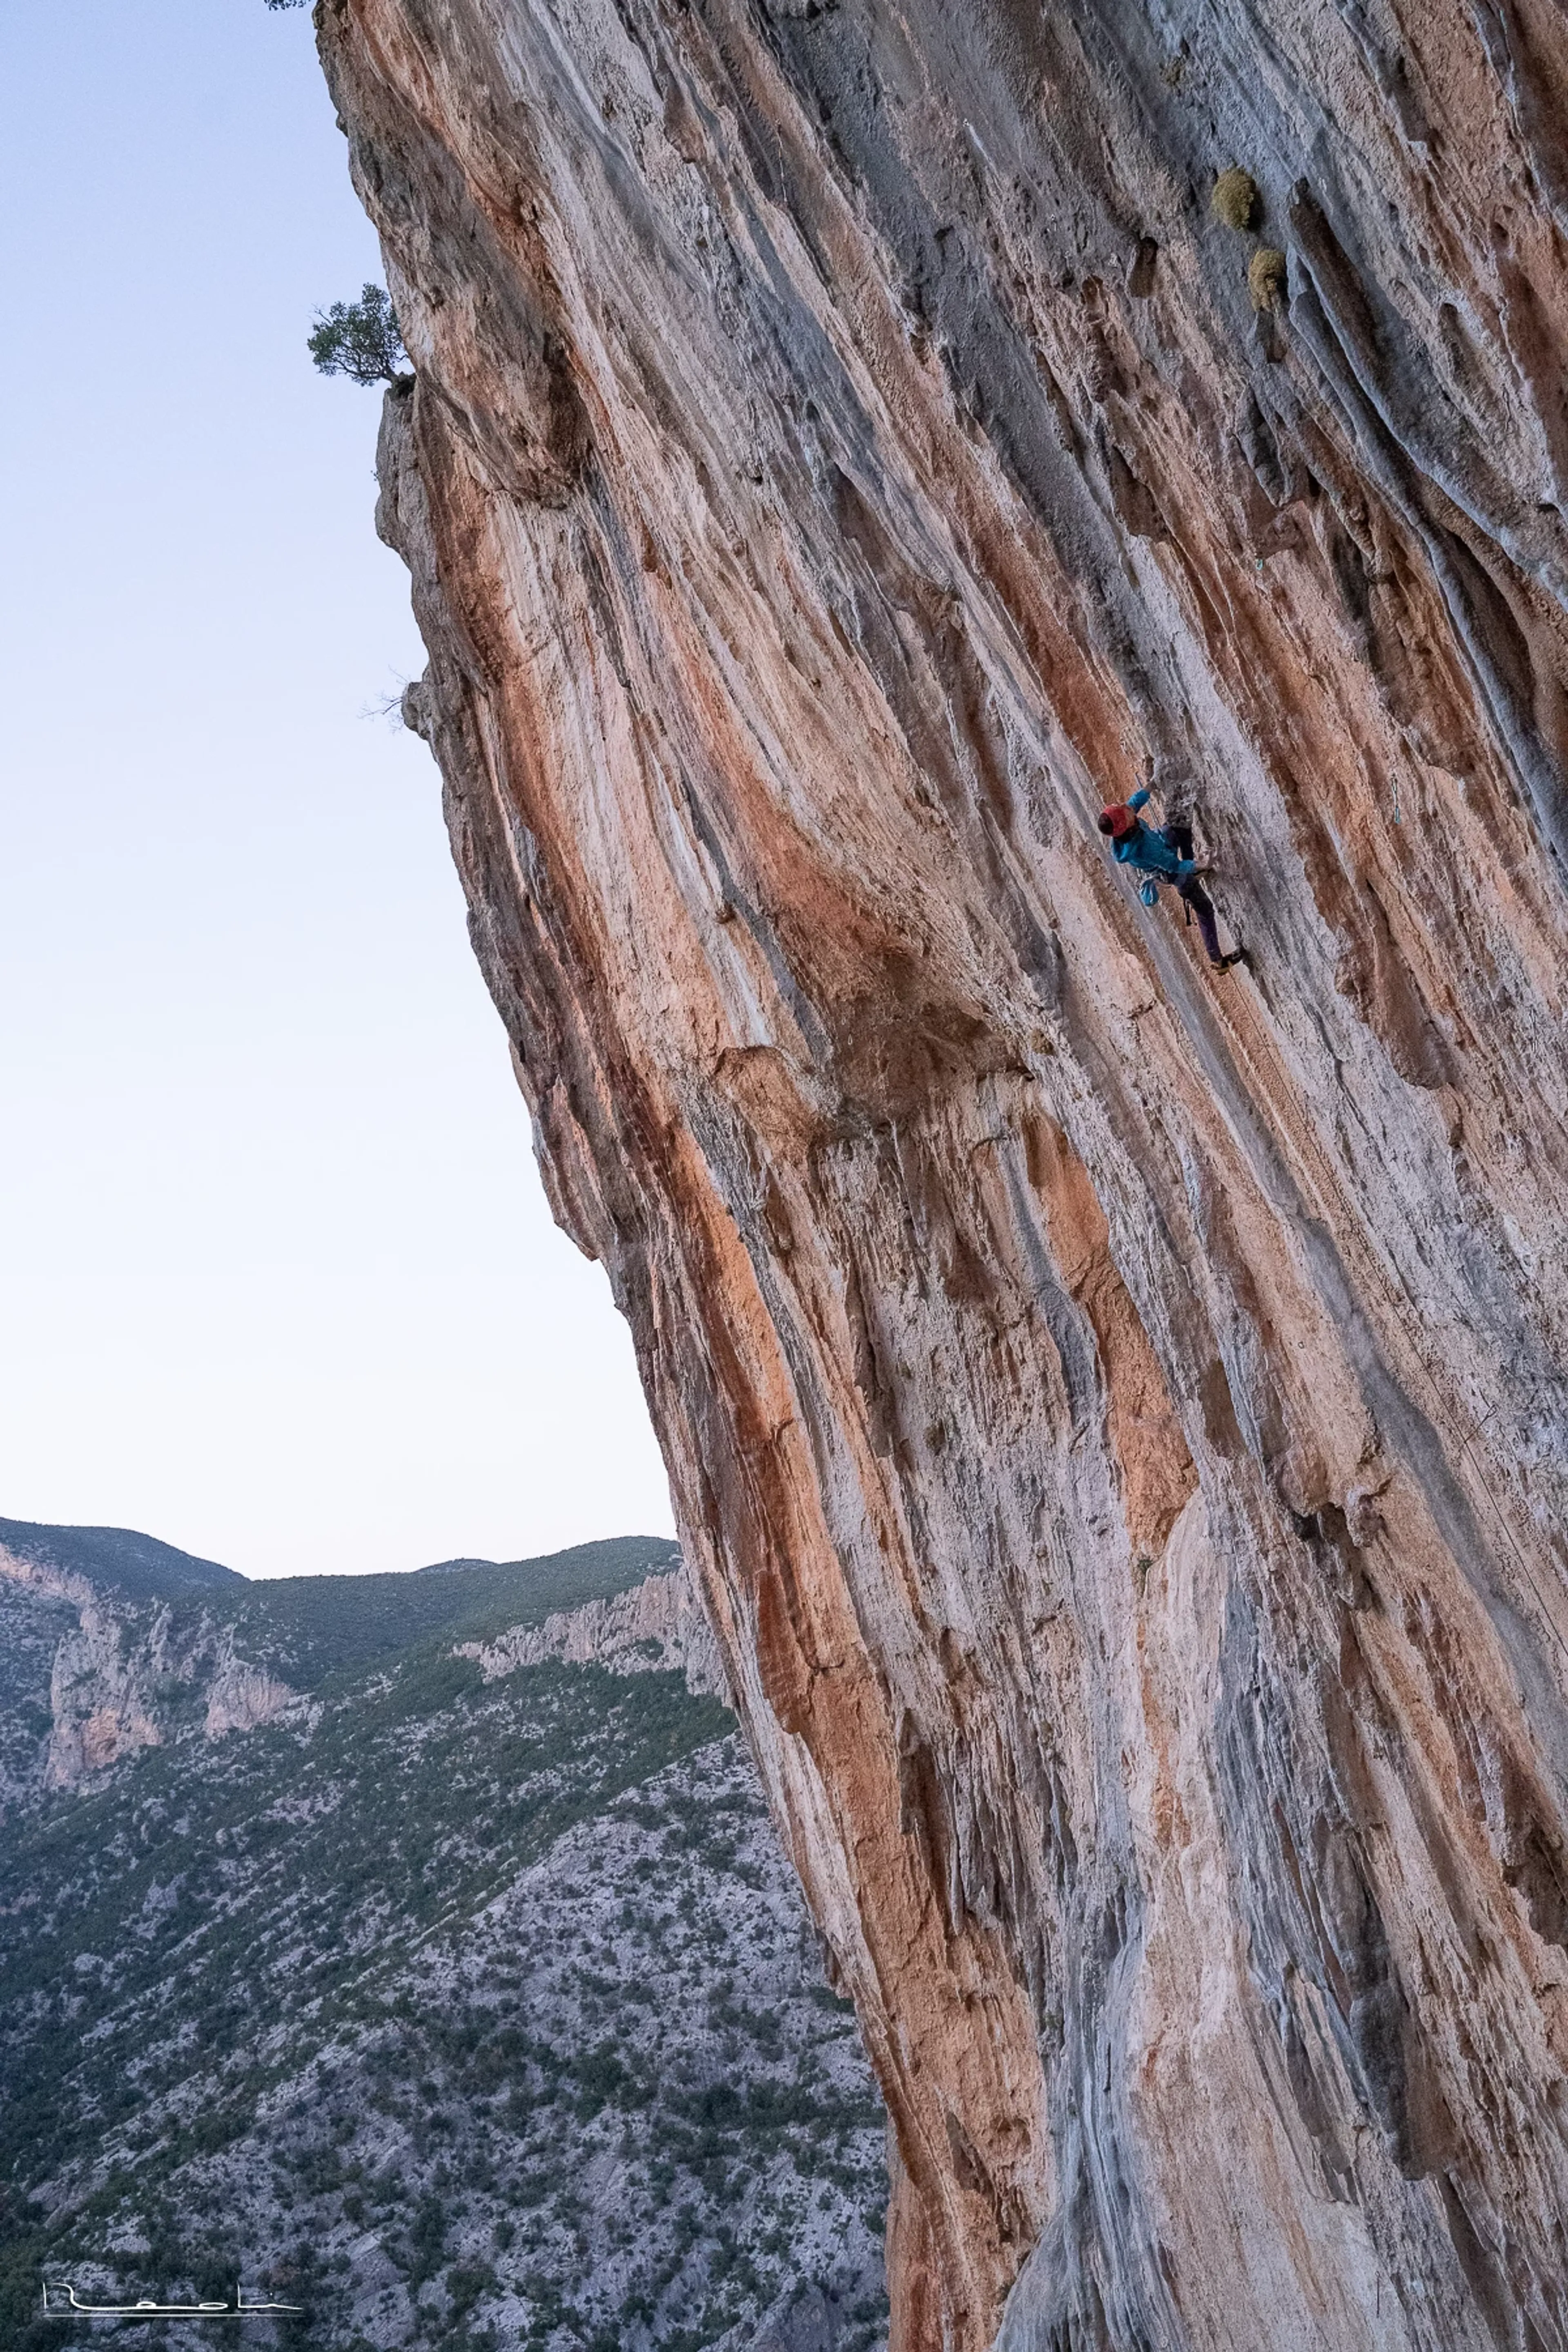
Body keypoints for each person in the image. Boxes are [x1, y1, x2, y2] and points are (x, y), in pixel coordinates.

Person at [1097, 789, 1245, 971]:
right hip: (1171, 872)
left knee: (1179, 823)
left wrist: (1150, 787)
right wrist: (1197, 865)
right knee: (1205, 908)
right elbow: (1174, 866)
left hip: (1162, 842)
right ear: (1125, 824)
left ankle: (1193, 868)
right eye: (1121, 809)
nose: (1124, 806)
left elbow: (1133, 804)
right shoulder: (1144, 849)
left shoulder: (1125, 827)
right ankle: (1218, 960)